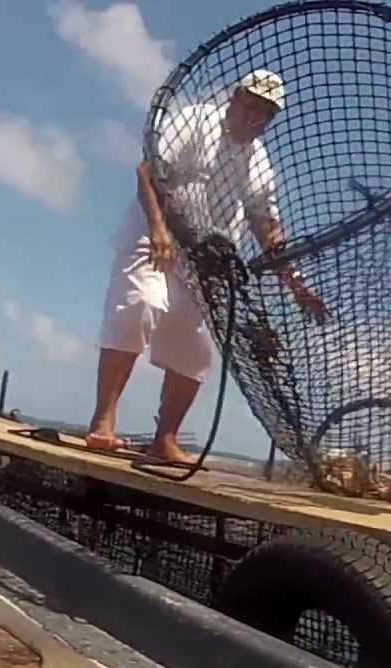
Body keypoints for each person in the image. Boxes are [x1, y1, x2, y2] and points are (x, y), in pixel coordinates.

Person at [88, 69, 326, 462]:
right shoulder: (196, 119)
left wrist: (296, 283)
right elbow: (148, 171)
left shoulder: (259, 159)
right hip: (154, 237)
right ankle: (103, 423)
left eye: (266, 112)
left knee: (196, 350)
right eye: (250, 104)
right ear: (234, 98)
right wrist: (160, 230)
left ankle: (165, 439)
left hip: (203, 263)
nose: (255, 117)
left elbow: (266, 224)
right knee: (139, 306)